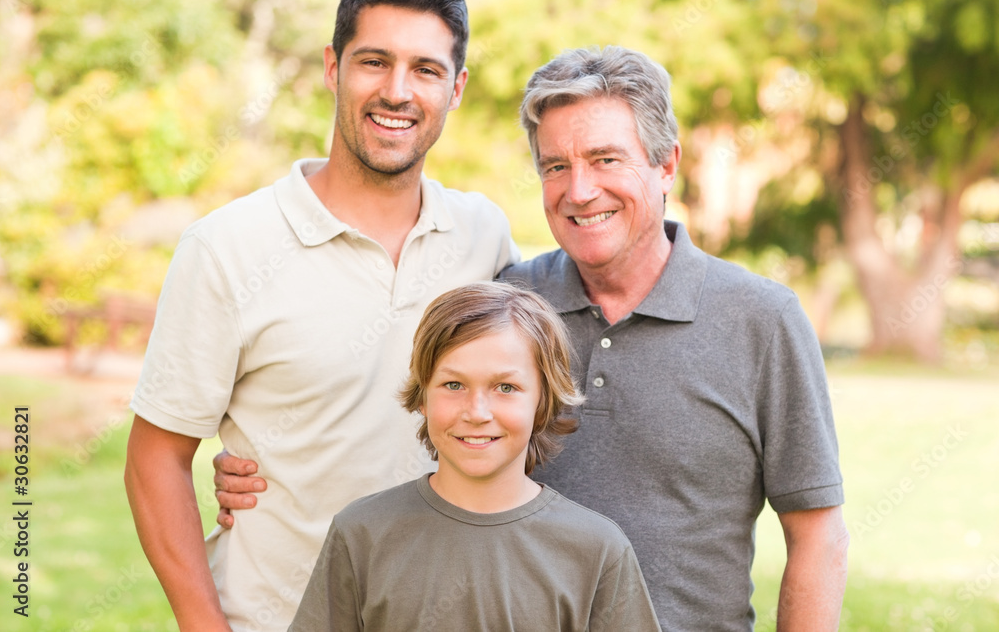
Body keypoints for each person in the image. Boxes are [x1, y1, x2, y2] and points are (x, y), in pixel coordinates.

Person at [215, 46, 849, 630]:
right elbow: (423, 410)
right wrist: (272, 460)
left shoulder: (762, 320)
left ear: (666, 165)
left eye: (606, 159)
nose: (579, 190)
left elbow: (816, 534)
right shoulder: (512, 305)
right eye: (556, 166)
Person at [123, 0, 518, 631]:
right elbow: (153, 458)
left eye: (425, 69)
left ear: (456, 89)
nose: (397, 90)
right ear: (334, 68)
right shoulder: (228, 247)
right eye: (374, 61)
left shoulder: (484, 238)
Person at [288, 281, 662, 632]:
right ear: (422, 396)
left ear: (543, 400)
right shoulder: (361, 533)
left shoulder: (597, 549)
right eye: (454, 384)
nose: (478, 411)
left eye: (506, 387)